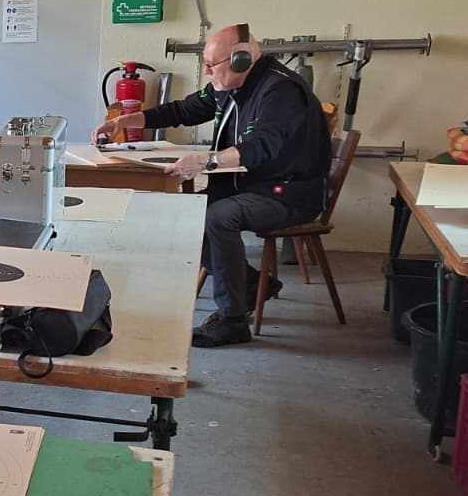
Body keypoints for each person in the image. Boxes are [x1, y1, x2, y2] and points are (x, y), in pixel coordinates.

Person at [94, 23, 329, 348]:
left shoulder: (280, 92)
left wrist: (207, 161)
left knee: (219, 216)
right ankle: (248, 284)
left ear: (240, 60)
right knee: (181, 214)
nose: (207, 71)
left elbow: (262, 146)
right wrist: (123, 121)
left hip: (288, 193)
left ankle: (233, 321)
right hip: (249, 185)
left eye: (211, 64)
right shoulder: (229, 85)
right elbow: (183, 110)